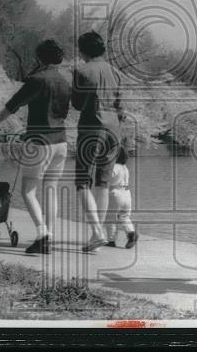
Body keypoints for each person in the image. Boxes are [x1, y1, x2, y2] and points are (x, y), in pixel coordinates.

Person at [0, 39, 71, 255]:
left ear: (40, 58)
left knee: (28, 190)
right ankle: (49, 235)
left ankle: (42, 234)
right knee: (51, 189)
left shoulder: (37, 80)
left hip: (39, 142)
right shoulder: (65, 82)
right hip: (61, 142)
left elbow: (12, 105)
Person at [72, 31, 124, 253]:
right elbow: (120, 105)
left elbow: (76, 103)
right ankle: (97, 239)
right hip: (114, 129)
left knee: (82, 182)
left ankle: (96, 233)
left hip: (92, 127)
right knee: (102, 183)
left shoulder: (81, 71)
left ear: (83, 50)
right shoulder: (116, 72)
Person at [105, 146, 137, 248]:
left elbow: (109, 177)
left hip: (116, 194)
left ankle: (111, 240)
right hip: (127, 194)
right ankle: (131, 233)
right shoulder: (125, 168)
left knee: (110, 218)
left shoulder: (115, 167)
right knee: (124, 216)